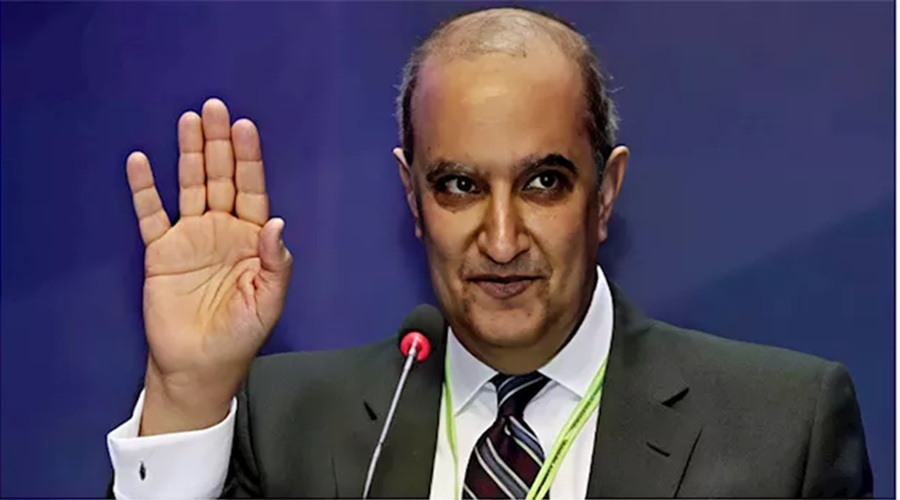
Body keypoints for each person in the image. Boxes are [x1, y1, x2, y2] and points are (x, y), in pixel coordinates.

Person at [106, 6, 872, 499]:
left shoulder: (782, 430)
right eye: (460, 186)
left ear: (606, 194)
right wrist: (186, 391)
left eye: (543, 183)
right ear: (412, 197)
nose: (501, 240)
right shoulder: (288, 425)